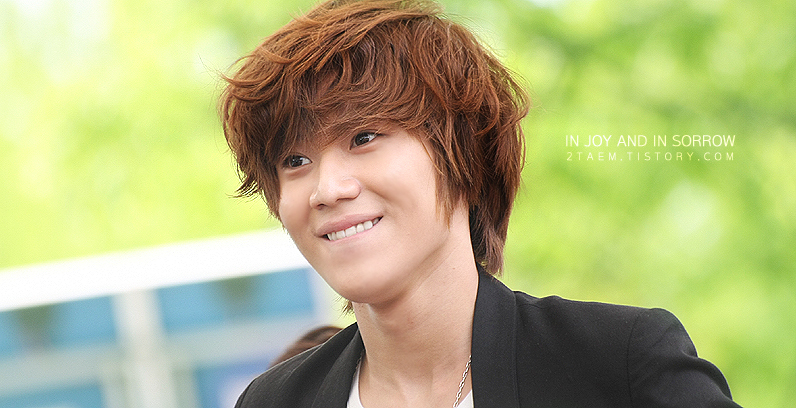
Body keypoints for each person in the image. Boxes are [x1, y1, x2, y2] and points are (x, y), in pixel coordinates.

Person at [219, 0, 742, 407]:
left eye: (363, 137)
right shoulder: (274, 402)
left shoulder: (616, 363)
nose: (327, 189)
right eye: (294, 161)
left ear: (462, 154)